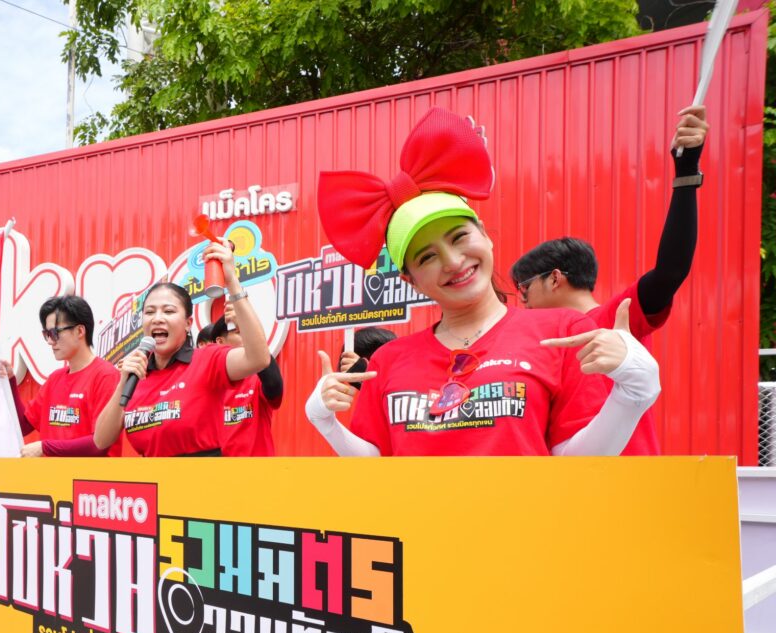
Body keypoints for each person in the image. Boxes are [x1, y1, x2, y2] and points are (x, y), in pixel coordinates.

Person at [307, 107, 660, 456]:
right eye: (427, 257)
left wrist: (632, 396)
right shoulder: (388, 359)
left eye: (459, 237)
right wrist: (326, 423)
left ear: (485, 235)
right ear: (410, 281)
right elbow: (376, 468)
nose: (452, 261)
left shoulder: (562, 332)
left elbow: (577, 465)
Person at [510, 105, 708, 454]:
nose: (521, 301)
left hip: (624, 479)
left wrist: (686, 173)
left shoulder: (616, 318)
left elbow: (671, 271)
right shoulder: (538, 344)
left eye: (524, 288)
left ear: (554, 279)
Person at [93, 248, 271, 457]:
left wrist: (232, 281)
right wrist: (123, 383)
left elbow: (258, 359)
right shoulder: (135, 375)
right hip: (152, 477)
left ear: (188, 324)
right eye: (149, 312)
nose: (157, 318)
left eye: (168, 311)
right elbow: (101, 440)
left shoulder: (208, 359)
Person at [0, 295, 122, 457]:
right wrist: (10, 380)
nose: (50, 341)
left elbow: (99, 445)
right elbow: (23, 425)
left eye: (54, 333)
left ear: (79, 331)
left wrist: (45, 448)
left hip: (93, 474)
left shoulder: (106, 375)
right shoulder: (54, 379)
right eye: (47, 334)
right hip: (54, 474)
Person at [209, 308, 283, 457]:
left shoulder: (258, 378)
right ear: (220, 342)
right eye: (239, 332)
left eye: (247, 332)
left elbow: (274, 387)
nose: (247, 338)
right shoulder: (209, 383)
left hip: (257, 470)